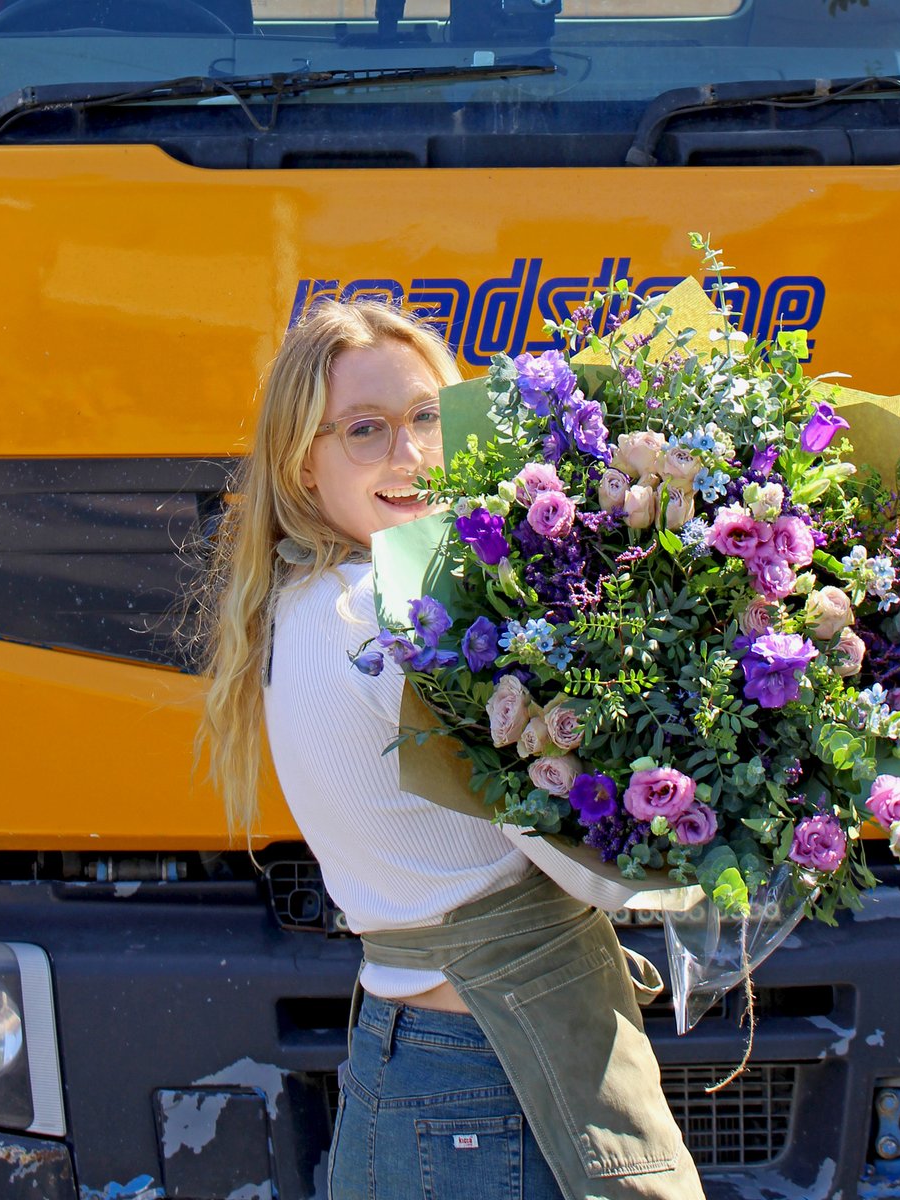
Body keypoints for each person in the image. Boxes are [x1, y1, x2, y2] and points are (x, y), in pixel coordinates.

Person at [197, 300, 705, 1200]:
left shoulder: (303, 600)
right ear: (301, 466)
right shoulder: (389, 616)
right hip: (489, 1074)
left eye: (429, 417)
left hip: (416, 1057)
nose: (412, 453)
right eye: (366, 430)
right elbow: (588, 866)